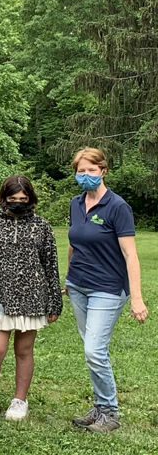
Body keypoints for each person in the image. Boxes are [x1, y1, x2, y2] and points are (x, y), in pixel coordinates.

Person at [65, 147, 148, 433]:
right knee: (93, 351)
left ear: (103, 171)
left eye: (91, 170)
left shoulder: (117, 206)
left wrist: (137, 298)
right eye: (81, 171)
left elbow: (130, 255)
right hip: (78, 286)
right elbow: (74, 243)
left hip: (108, 288)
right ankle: (100, 407)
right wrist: (68, 277)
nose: (86, 175)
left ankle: (110, 413)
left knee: (94, 350)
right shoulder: (76, 203)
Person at [0, 176, 62, 422]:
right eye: (13, 198)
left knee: (24, 350)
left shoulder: (42, 226)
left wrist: (54, 301)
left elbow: (50, 265)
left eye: (23, 198)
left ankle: (20, 400)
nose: (18, 202)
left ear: (30, 199)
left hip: (32, 297)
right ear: (3, 198)